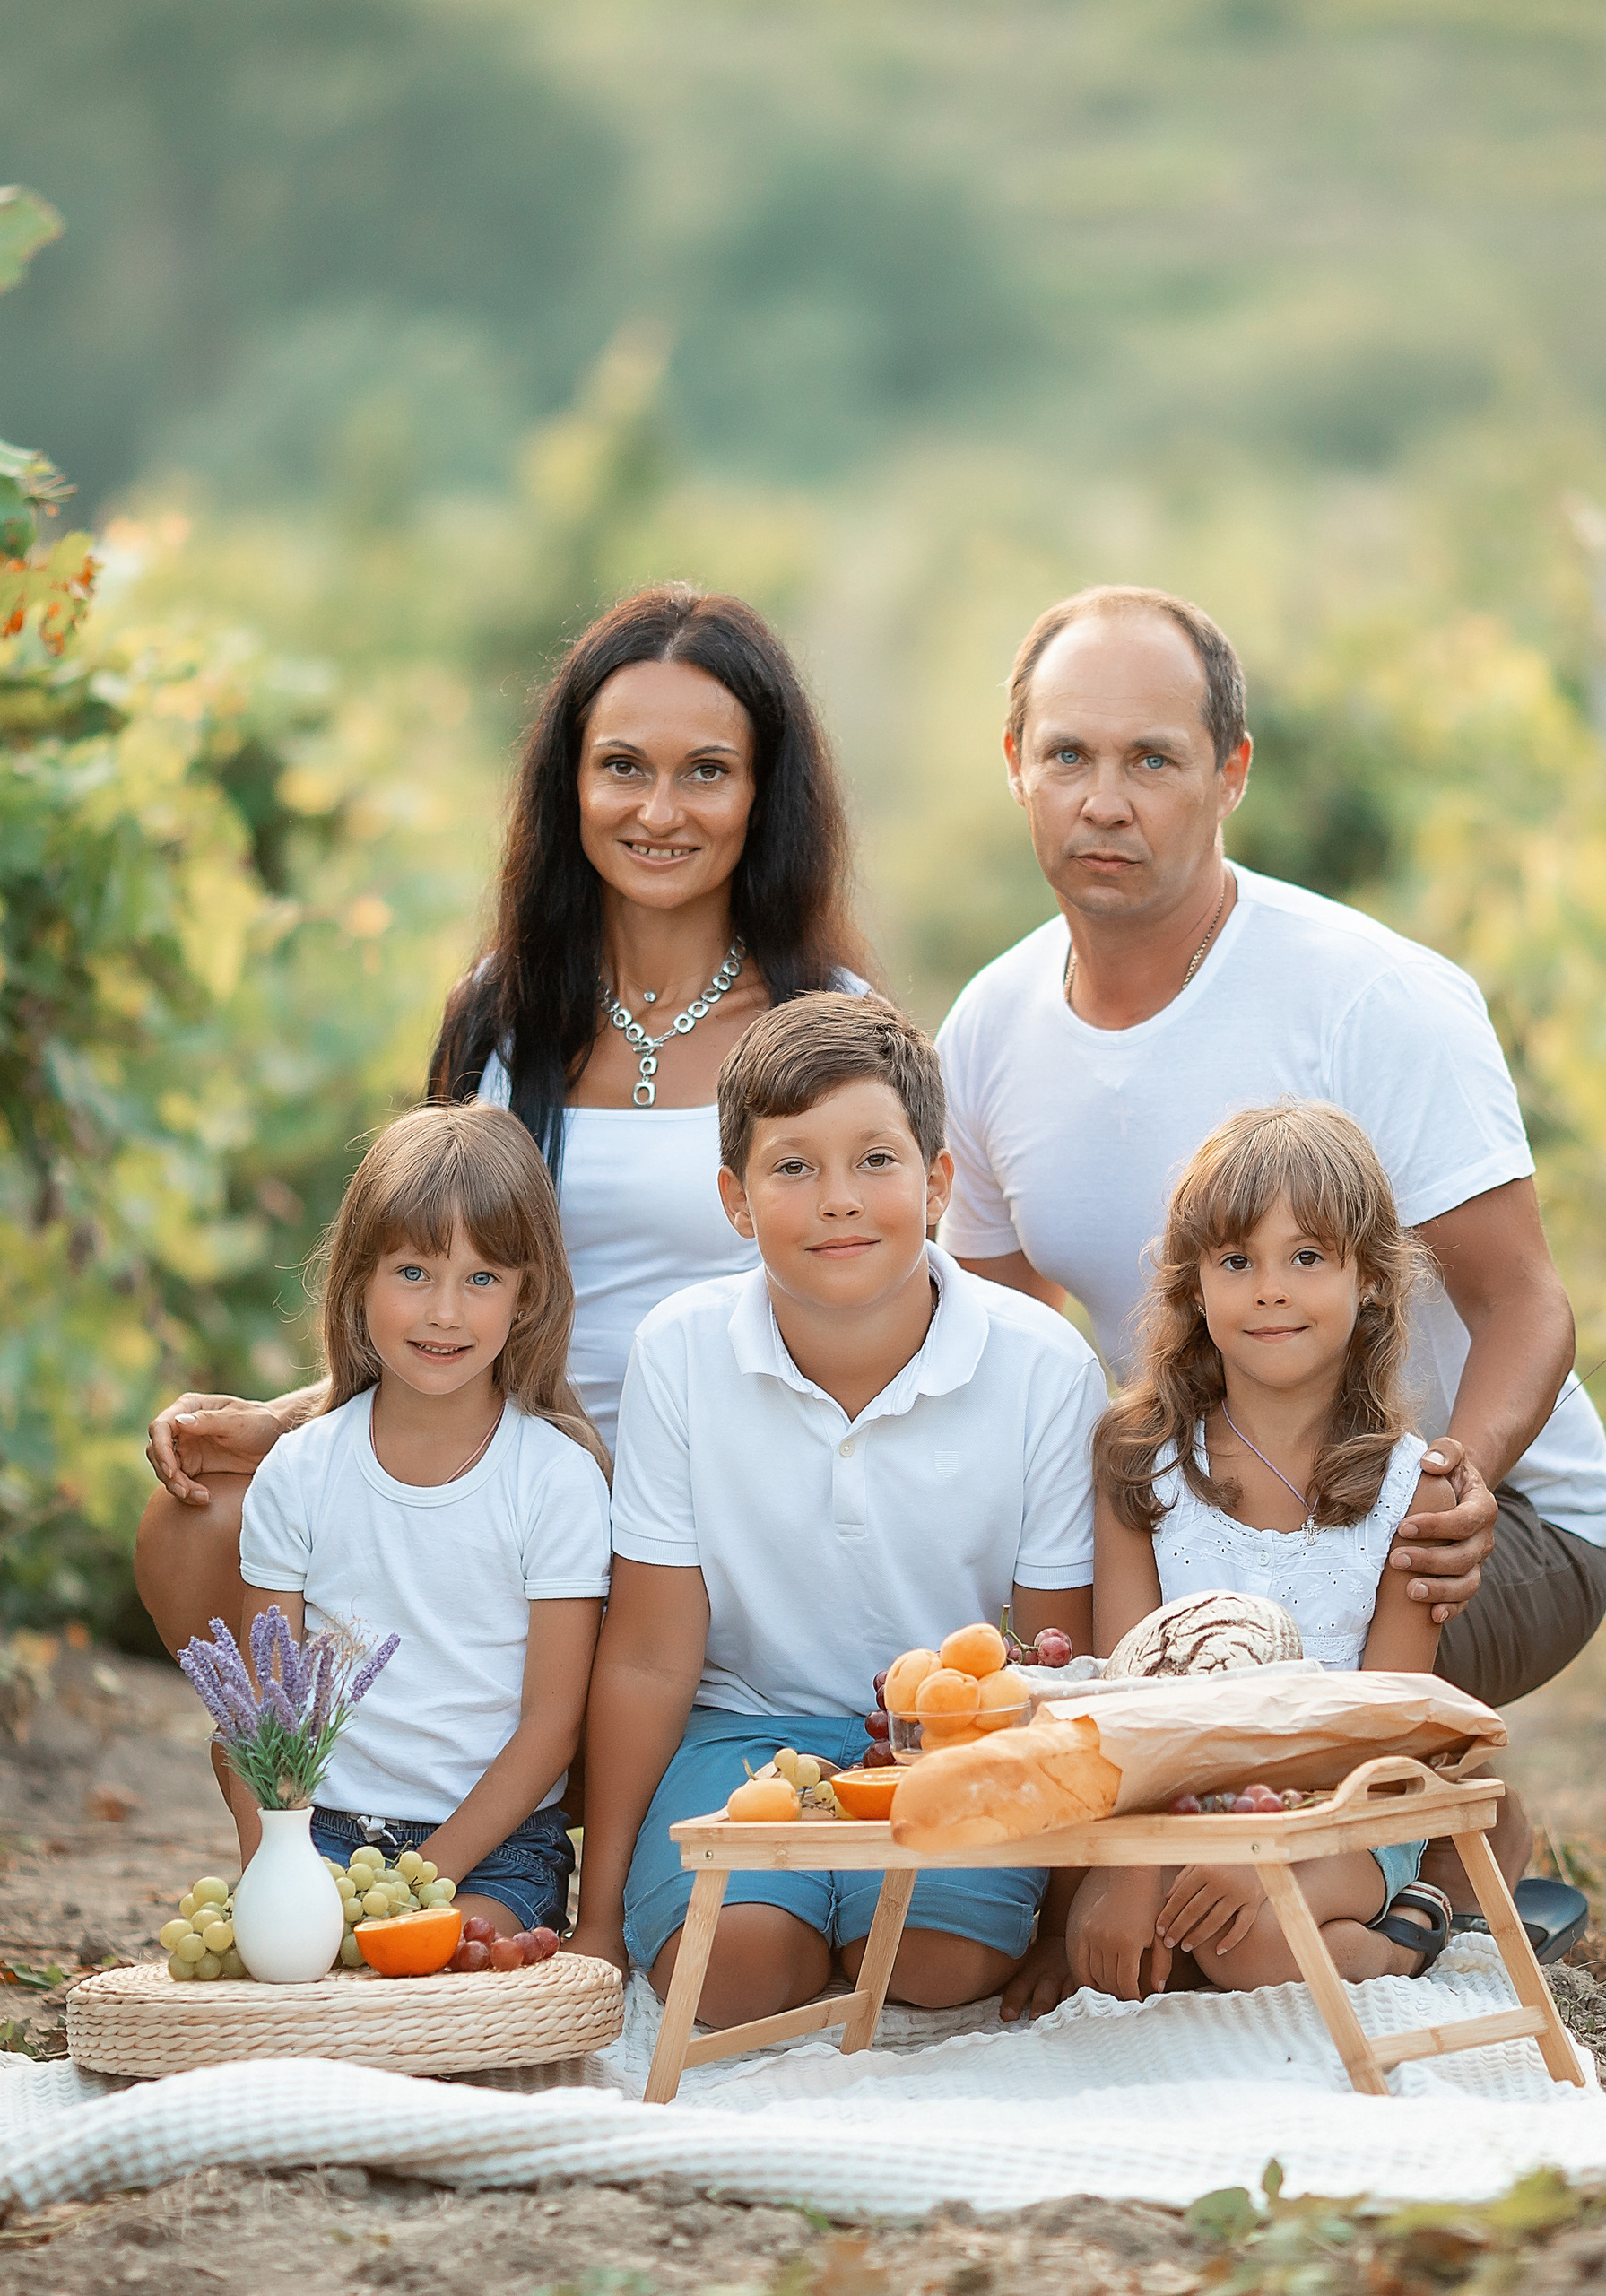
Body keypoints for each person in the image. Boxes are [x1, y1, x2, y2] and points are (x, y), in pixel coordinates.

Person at [135, 586, 869, 1743]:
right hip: (502, 1476)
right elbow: (436, 1269)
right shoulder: (498, 1016)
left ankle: (566, 1825)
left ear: (763, 793)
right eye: (623, 766)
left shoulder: (830, 1028)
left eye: (707, 772)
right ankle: (318, 1845)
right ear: (569, 783)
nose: (660, 810)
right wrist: (294, 1419)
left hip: (723, 1513)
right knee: (199, 1521)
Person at [937, 584, 1606, 1740]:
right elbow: (1003, 1344)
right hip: (1200, 1514)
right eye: (1068, 756)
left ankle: (1428, 1860)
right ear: (1015, 763)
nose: (1104, 801)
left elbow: (1525, 1299)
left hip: (1467, 1530)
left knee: (1250, 1656)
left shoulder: (1369, 998)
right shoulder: (991, 1025)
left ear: (1232, 772)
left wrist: (1464, 1478)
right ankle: (1434, 1842)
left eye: (1152, 760)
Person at [568, 994, 1105, 2027]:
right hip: (742, 1730)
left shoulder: (1040, 1363)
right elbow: (645, 1655)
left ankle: (868, 1916)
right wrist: (595, 1917)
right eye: (791, 1166)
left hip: (954, 1744)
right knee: (729, 1977)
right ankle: (778, 1915)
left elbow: (1058, 1662)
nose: (837, 1200)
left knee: (936, 1960)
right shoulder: (680, 1352)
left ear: (939, 1181)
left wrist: (1062, 1914)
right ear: (734, 1198)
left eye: (874, 1160)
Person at [1072, 1100, 1480, 1999]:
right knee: (1123, 1962)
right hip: (1172, 1809)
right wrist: (1131, 1872)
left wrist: (1265, 1857)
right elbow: (1126, 1695)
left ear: (1371, 1278)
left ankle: (1406, 1932)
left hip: (1348, 1812)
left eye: (1306, 1257)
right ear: (1191, 1286)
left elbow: (1387, 1728)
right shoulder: (1140, 1464)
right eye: (1234, 1260)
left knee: (1248, 1947)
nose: (1269, 1289)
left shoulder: (1418, 1487)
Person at [236, 1102, 611, 1935]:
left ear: (526, 1296)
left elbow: (552, 1726)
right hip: (324, 1833)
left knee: (442, 1965)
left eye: (481, 1279)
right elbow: (264, 1712)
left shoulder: (555, 1481)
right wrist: (280, 1868)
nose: (445, 1312)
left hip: (498, 1849)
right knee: (313, 1973)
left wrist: (420, 1881)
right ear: (359, 1279)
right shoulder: (299, 1473)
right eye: (412, 1273)